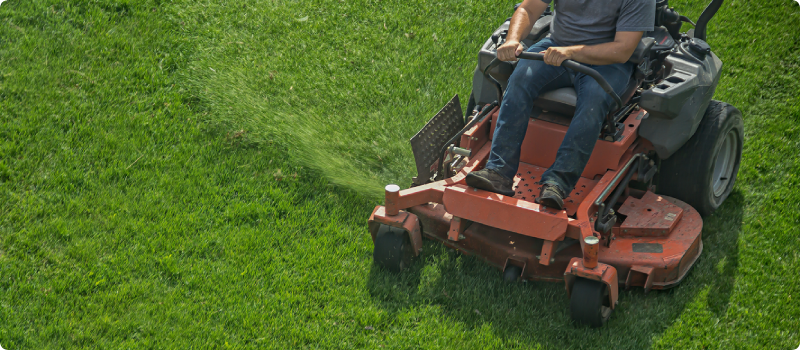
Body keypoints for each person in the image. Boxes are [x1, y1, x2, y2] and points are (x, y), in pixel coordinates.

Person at [465, 0, 655, 209]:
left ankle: (557, 184)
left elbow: (623, 49)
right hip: (556, 46)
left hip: (608, 62)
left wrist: (571, 52)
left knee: (594, 99)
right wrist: (512, 40)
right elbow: (528, 8)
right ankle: (498, 171)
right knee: (520, 78)